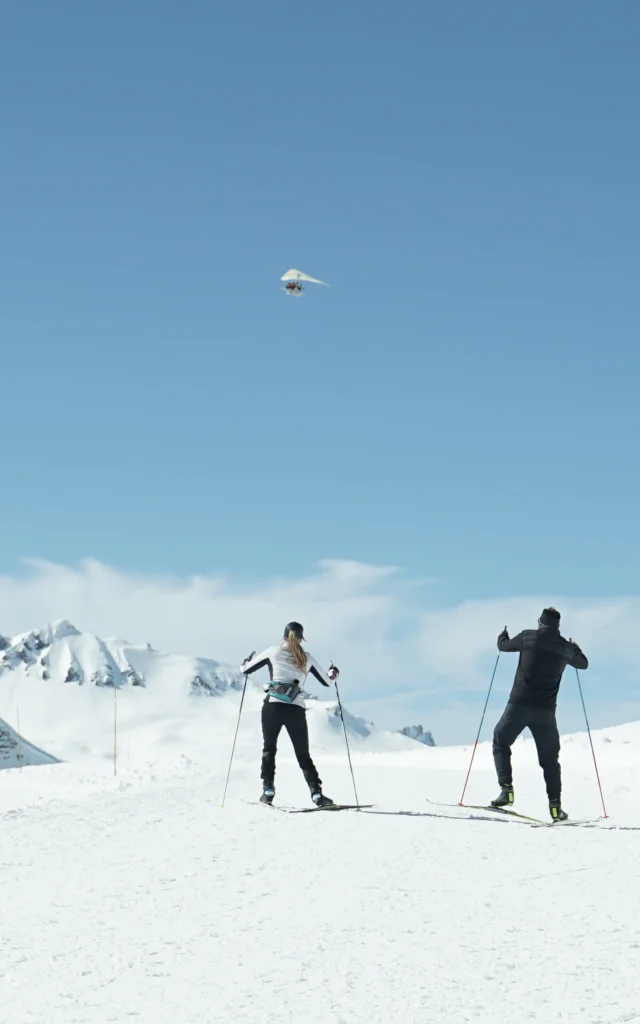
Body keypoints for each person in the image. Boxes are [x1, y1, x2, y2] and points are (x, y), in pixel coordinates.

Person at [491, 607, 588, 821]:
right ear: (557, 626)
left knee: (500, 741)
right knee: (550, 761)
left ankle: (506, 790)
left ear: (540, 623)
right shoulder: (564, 647)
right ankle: (555, 807)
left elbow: (503, 646)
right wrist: (576, 649)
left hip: (519, 706)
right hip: (545, 713)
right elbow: (583, 664)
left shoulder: (527, 637)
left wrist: (502, 635)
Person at [241, 622, 339, 806]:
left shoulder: (273, 652)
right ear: (302, 639)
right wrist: (334, 673)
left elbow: (245, 669)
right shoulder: (306, 658)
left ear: (284, 636)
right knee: (303, 754)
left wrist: (246, 661)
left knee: (269, 749)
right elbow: (327, 681)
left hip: (273, 706)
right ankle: (317, 794)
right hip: (296, 708)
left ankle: (268, 791)